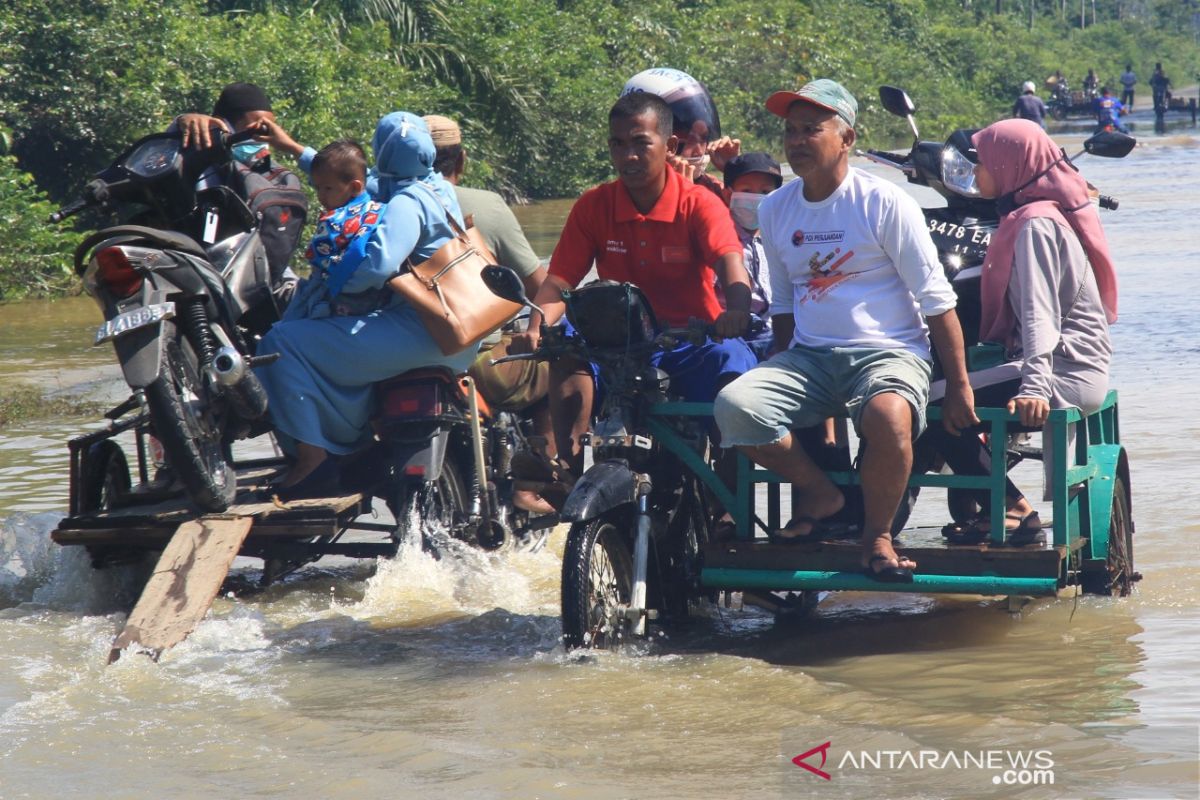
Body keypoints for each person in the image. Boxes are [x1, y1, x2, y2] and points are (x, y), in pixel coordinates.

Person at [711, 79, 976, 582]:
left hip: (889, 354)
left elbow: (936, 300)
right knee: (735, 408)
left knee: (890, 418)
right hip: (811, 358)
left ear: (848, 139)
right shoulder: (775, 207)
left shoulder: (884, 202)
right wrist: (780, 365)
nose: (796, 141)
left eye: (812, 129)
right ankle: (822, 493)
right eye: (791, 131)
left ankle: (877, 536)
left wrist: (959, 387)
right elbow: (785, 302)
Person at [510, 91, 756, 482]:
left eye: (641, 143)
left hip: (689, 341)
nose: (629, 156)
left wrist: (738, 310)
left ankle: (726, 493)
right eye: (618, 144)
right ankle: (568, 471)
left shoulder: (699, 203)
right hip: (616, 343)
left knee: (734, 365)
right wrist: (536, 326)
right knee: (564, 343)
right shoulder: (594, 205)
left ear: (670, 145)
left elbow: (729, 260)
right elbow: (559, 282)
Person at [252, 112, 480, 499]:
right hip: (451, 330)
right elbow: (352, 182)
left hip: (421, 334)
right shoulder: (432, 186)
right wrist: (293, 148)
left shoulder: (405, 202)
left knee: (281, 344)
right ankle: (351, 444)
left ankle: (313, 459)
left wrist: (335, 278)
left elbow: (378, 264)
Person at [934, 119, 1116, 544]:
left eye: (984, 163)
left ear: (1010, 164)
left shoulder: (1035, 224)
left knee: (934, 407)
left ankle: (1015, 509)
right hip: (1071, 360)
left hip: (1063, 369)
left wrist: (1035, 385)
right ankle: (1001, 505)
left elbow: (1040, 314)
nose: (976, 175)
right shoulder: (1040, 212)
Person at [422, 113, 557, 514]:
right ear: (460, 161)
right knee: (565, 359)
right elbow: (539, 286)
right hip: (478, 365)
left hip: (393, 361)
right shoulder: (486, 206)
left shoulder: (379, 204)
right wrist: (538, 330)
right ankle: (535, 484)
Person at [174, 82, 306, 308]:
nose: (261, 138)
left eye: (268, 130)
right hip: (201, 264)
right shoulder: (198, 156)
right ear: (225, 125)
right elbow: (167, 149)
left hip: (260, 272)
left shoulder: (268, 172)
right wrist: (181, 120)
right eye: (255, 129)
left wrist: (292, 146)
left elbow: (333, 172)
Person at [620, 68, 738, 199]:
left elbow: (752, 216)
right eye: (684, 141)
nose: (698, 151)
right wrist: (679, 197)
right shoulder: (617, 200)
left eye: (703, 138)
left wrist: (735, 174)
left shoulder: (714, 188)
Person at [719, 151, 781, 360]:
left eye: (765, 191)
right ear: (728, 195)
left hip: (776, 331)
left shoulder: (779, 235)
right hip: (736, 335)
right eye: (747, 190)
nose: (757, 198)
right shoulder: (720, 238)